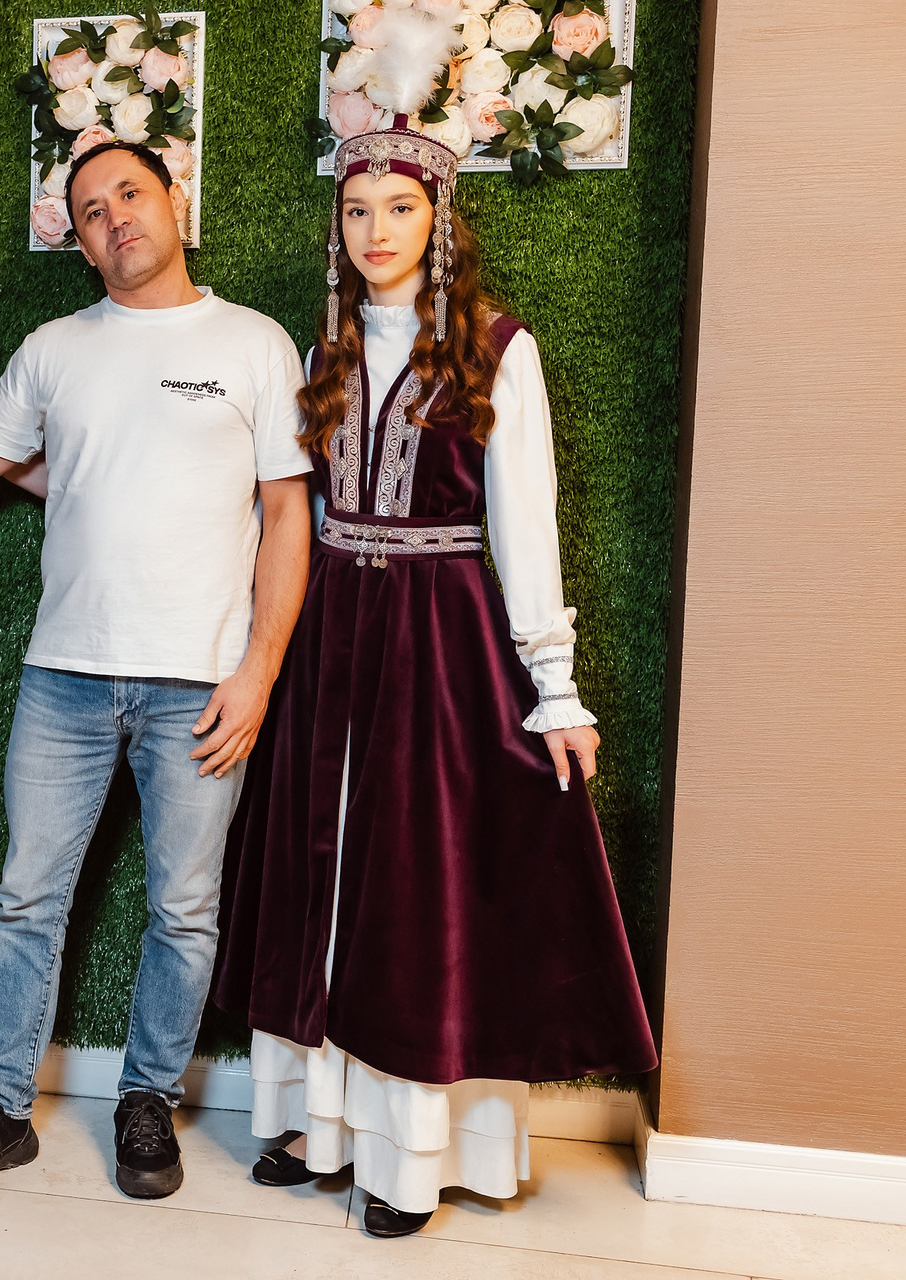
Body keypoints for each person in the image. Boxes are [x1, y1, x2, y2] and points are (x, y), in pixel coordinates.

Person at [208, 11, 658, 1239]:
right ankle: (316, 1125)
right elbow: (291, 514)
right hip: (329, 636)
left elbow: (525, 521)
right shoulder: (323, 350)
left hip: (441, 644)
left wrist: (554, 686)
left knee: (418, 890)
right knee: (320, 871)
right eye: (357, 210)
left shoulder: (498, 350)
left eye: (399, 209)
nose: (376, 230)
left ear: (438, 217)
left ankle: (407, 1158)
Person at [0, 141, 312, 1201]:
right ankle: (1, 1105)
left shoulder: (255, 343)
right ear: (80, 242)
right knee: (23, 899)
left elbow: (288, 515)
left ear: (173, 199)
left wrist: (258, 670)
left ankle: (148, 1099)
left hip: (203, 684)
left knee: (183, 908)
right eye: (91, 210)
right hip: (64, 677)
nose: (115, 217)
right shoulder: (53, 349)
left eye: (130, 193)